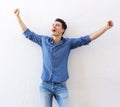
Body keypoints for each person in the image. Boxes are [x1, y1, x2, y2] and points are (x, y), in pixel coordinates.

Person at [14, 8, 113, 107]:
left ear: (63, 30)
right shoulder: (44, 41)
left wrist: (106, 27)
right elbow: (28, 34)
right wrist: (17, 16)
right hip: (45, 86)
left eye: (57, 25)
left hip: (61, 87)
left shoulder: (68, 43)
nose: (54, 26)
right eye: (53, 24)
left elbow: (87, 39)